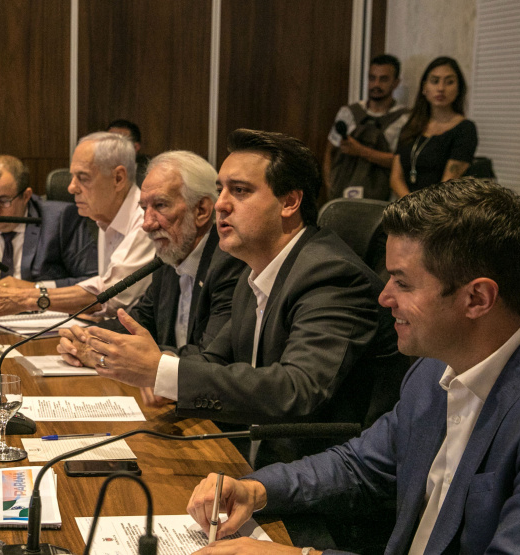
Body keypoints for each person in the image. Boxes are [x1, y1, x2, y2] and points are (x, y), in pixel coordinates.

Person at [186, 178, 520, 555]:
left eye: (402, 283)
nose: (384, 297)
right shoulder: (432, 367)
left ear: (477, 298)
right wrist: (257, 490)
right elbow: (361, 465)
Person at [59, 130, 406, 462]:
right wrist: (119, 353)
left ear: (289, 202)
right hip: (245, 464)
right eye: (221, 189)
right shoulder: (254, 269)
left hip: (310, 490)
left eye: (239, 191)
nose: (221, 205)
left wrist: (161, 371)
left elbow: (298, 389)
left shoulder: (330, 274)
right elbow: (215, 360)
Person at [59, 151, 247, 404]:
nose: (147, 224)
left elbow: (208, 358)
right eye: (144, 208)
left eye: (160, 206)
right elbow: (138, 321)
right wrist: (82, 338)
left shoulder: (229, 264)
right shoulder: (169, 258)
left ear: (202, 210)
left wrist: (108, 354)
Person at [0, 132, 155, 318]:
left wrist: (26, 297)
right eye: (72, 177)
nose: (71, 187)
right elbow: (102, 293)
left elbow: (110, 294)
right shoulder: (104, 216)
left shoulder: (146, 223)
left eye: (83, 178)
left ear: (118, 178)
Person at [0, 154, 96, 292]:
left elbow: (92, 280)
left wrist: (34, 288)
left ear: (26, 196)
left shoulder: (59, 220)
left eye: (3, 201)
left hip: (41, 315)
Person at [323, 54, 408, 200]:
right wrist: (331, 188)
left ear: (396, 83)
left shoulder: (404, 118)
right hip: (342, 198)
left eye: (384, 79)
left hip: (382, 202)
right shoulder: (349, 112)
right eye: (372, 78)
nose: (376, 84)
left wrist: (360, 151)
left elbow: (402, 163)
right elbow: (329, 153)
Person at [390, 56, 478, 197]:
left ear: (459, 88)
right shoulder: (411, 124)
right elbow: (395, 178)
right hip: (405, 208)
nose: (441, 88)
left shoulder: (465, 129)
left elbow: (448, 184)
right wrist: (409, 206)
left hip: (439, 211)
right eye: (435, 81)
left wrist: (421, 212)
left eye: (449, 82)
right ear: (424, 87)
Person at [107, 118, 149, 185]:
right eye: (109, 141)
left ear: (135, 147)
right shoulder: (96, 171)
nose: (112, 146)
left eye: (120, 142)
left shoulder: (147, 175)